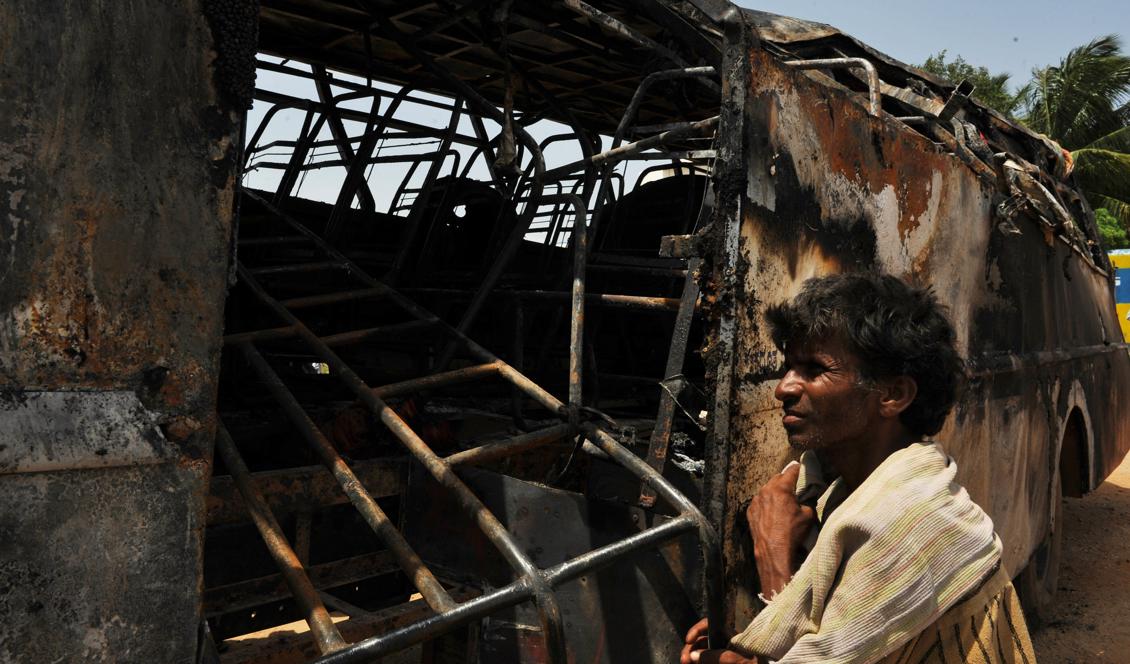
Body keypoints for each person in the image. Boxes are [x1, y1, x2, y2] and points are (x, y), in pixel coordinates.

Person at [680, 273, 1037, 664]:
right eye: (789, 367)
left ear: (893, 394)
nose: (783, 388)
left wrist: (773, 556)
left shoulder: (909, 520)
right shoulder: (848, 493)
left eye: (814, 369)